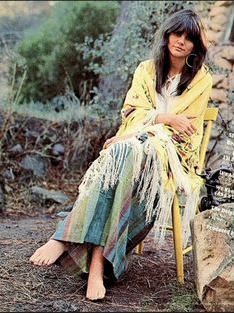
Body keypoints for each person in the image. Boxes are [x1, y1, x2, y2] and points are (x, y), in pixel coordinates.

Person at [29, 8, 212, 301]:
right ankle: (98, 265)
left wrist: (146, 131)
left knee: (123, 150)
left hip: (171, 157)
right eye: (177, 33)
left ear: (195, 47)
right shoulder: (145, 70)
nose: (181, 41)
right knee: (125, 154)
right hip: (136, 149)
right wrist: (162, 120)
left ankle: (65, 236)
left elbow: (185, 130)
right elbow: (130, 112)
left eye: (189, 38)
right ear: (167, 36)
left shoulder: (202, 80)